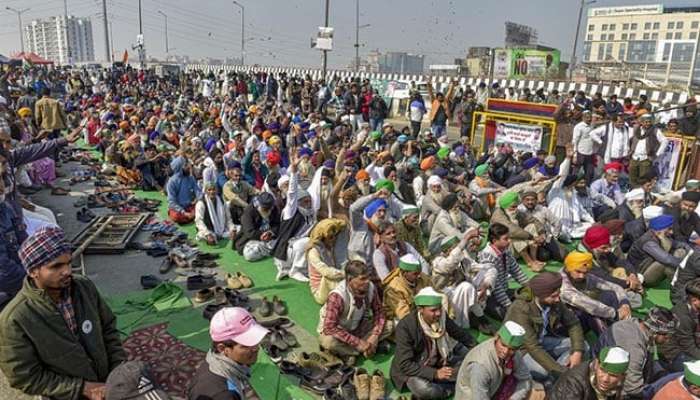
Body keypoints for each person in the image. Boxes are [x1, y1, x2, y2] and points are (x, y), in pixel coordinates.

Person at [0, 227, 126, 400]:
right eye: (56, 266)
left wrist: (117, 368)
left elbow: (108, 328)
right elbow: (24, 376)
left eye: (68, 263)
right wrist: (82, 388)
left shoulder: (83, 287)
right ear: (33, 271)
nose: (67, 271)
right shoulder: (15, 318)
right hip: (65, 394)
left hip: (107, 379)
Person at [390, 287, 476, 400]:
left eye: (439, 308)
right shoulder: (405, 327)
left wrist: (478, 349)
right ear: (420, 309)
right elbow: (405, 364)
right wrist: (435, 374)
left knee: (472, 364)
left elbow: (459, 334)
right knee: (423, 389)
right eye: (433, 310)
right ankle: (452, 387)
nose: (439, 313)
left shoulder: (442, 317)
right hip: (415, 369)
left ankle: (449, 384)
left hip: (439, 362)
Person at [504, 271, 586, 385]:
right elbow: (532, 346)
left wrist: (577, 352)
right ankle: (561, 375)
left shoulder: (553, 300)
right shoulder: (521, 308)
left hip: (541, 340)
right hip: (521, 350)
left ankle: (561, 375)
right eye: (553, 296)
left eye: (558, 294)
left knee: (582, 346)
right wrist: (560, 371)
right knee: (543, 372)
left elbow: (573, 323)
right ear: (540, 295)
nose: (558, 299)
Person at [594, 307, 678, 398]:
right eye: (667, 336)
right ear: (655, 333)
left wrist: (663, 376)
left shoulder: (637, 325)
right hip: (614, 389)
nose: (668, 340)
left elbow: (649, 362)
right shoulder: (634, 348)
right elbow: (633, 389)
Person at [188, 307, 269, 400]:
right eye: (246, 345)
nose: (256, 348)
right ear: (222, 348)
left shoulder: (214, 360)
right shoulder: (224, 395)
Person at [317, 260, 390, 362]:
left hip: (358, 328)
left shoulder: (370, 287)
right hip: (339, 333)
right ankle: (363, 349)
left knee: (389, 325)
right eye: (363, 279)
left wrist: (374, 336)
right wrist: (358, 343)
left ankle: (351, 352)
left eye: (368, 277)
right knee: (328, 342)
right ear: (350, 279)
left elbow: (379, 312)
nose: (367, 281)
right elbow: (329, 328)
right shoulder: (337, 296)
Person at [433, 232, 497, 335]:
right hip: (448, 301)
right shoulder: (438, 262)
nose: (461, 249)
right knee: (466, 287)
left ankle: (476, 315)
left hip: (466, 296)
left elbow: (484, 268)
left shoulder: (462, 259)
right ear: (448, 250)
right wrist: (466, 238)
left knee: (490, 269)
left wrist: (486, 285)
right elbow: (449, 265)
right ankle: (481, 319)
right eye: (457, 247)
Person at [454, 321, 533, 400]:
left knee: (535, 392)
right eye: (503, 345)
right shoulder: (480, 367)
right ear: (496, 338)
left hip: (497, 389)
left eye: (512, 349)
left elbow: (525, 379)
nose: (505, 352)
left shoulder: (514, 353)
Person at [559, 251, 632, 335]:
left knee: (610, 295)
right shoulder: (562, 285)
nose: (581, 276)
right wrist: (615, 314)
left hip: (583, 314)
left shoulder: (587, 277)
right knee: (592, 312)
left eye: (585, 272)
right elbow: (587, 305)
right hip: (567, 325)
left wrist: (624, 304)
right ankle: (609, 339)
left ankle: (624, 327)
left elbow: (614, 287)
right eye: (578, 272)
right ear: (568, 268)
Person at [478, 223, 529, 319]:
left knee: (527, 295)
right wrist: (508, 305)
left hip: (505, 290)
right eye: (506, 239)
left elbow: (517, 271)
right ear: (494, 240)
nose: (509, 241)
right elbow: (496, 287)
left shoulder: (505, 251)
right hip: (491, 296)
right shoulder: (486, 257)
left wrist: (529, 287)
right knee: (507, 315)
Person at [627, 214, 690, 287]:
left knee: (680, 251)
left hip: (652, 267)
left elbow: (678, 244)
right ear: (659, 230)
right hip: (642, 276)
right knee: (664, 263)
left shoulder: (661, 235)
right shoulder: (648, 242)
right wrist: (688, 266)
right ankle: (683, 286)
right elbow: (667, 260)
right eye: (669, 229)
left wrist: (690, 251)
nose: (671, 232)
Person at [490, 191, 546, 272]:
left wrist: (541, 233)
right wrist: (532, 237)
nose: (515, 209)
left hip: (518, 248)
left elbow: (532, 220)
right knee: (512, 235)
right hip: (504, 249)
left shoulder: (515, 211)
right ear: (506, 206)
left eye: (516, 206)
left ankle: (534, 259)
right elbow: (511, 230)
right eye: (513, 207)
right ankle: (530, 263)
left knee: (531, 226)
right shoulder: (498, 215)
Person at [549, 346, 630, 400]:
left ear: (623, 376)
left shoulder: (620, 384)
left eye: (613, 375)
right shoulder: (574, 383)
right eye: (602, 370)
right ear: (596, 364)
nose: (605, 379)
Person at [659, 278, 700, 372]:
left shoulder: (694, 309)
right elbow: (689, 347)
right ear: (694, 300)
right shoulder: (682, 317)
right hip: (674, 355)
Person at [517, 189, 567, 262]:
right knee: (544, 256)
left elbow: (557, 223)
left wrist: (554, 237)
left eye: (532, 200)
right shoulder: (519, 211)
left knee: (562, 255)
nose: (530, 202)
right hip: (530, 240)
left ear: (536, 200)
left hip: (545, 238)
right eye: (527, 200)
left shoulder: (543, 209)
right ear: (523, 201)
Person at [306, 218, 347, 304]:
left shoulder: (332, 247)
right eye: (331, 237)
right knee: (328, 277)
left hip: (337, 280)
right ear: (322, 238)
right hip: (321, 291)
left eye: (336, 236)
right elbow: (326, 272)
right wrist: (346, 274)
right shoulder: (313, 252)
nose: (334, 239)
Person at [382, 254, 433, 324]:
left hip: (421, 312)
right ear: (404, 273)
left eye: (419, 272)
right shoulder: (394, 288)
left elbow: (435, 295)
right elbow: (403, 314)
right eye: (415, 274)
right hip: (398, 317)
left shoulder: (422, 278)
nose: (418, 276)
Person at [233, 192, 280, 261]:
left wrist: (270, 232)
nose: (269, 211)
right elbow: (250, 233)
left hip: (270, 238)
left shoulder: (273, 208)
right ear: (259, 205)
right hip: (252, 240)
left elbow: (277, 224)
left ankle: (269, 249)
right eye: (265, 209)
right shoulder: (248, 212)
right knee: (249, 254)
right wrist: (263, 235)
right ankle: (271, 249)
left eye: (270, 209)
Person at [629, 114, 667, 188]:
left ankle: (642, 193)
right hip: (634, 157)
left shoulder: (655, 130)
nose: (647, 124)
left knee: (643, 179)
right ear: (642, 122)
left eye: (649, 122)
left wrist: (658, 153)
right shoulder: (636, 129)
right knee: (632, 177)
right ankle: (633, 192)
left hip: (646, 158)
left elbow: (665, 141)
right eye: (645, 122)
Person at [195, 180, 235, 245]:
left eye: (213, 189)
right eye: (209, 190)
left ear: (216, 190)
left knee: (239, 229)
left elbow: (228, 218)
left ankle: (221, 234)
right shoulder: (201, 203)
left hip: (223, 229)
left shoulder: (221, 200)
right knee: (203, 236)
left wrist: (232, 229)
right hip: (208, 230)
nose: (212, 192)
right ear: (206, 191)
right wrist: (207, 234)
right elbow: (199, 221)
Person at [222, 161, 259, 227]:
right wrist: (247, 206)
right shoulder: (226, 186)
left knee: (255, 198)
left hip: (245, 208)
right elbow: (234, 199)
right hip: (234, 210)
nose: (238, 178)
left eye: (239, 176)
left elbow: (254, 190)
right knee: (230, 205)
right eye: (236, 176)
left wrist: (262, 193)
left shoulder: (243, 183)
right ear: (231, 175)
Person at [167, 156, 200, 224]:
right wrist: (184, 213)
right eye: (185, 165)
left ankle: (192, 216)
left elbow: (198, 192)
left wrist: (198, 199)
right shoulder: (172, 182)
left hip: (190, 206)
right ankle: (191, 216)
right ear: (179, 168)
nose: (188, 166)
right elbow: (171, 202)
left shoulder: (191, 178)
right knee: (176, 216)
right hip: (179, 209)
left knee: (202, 207)